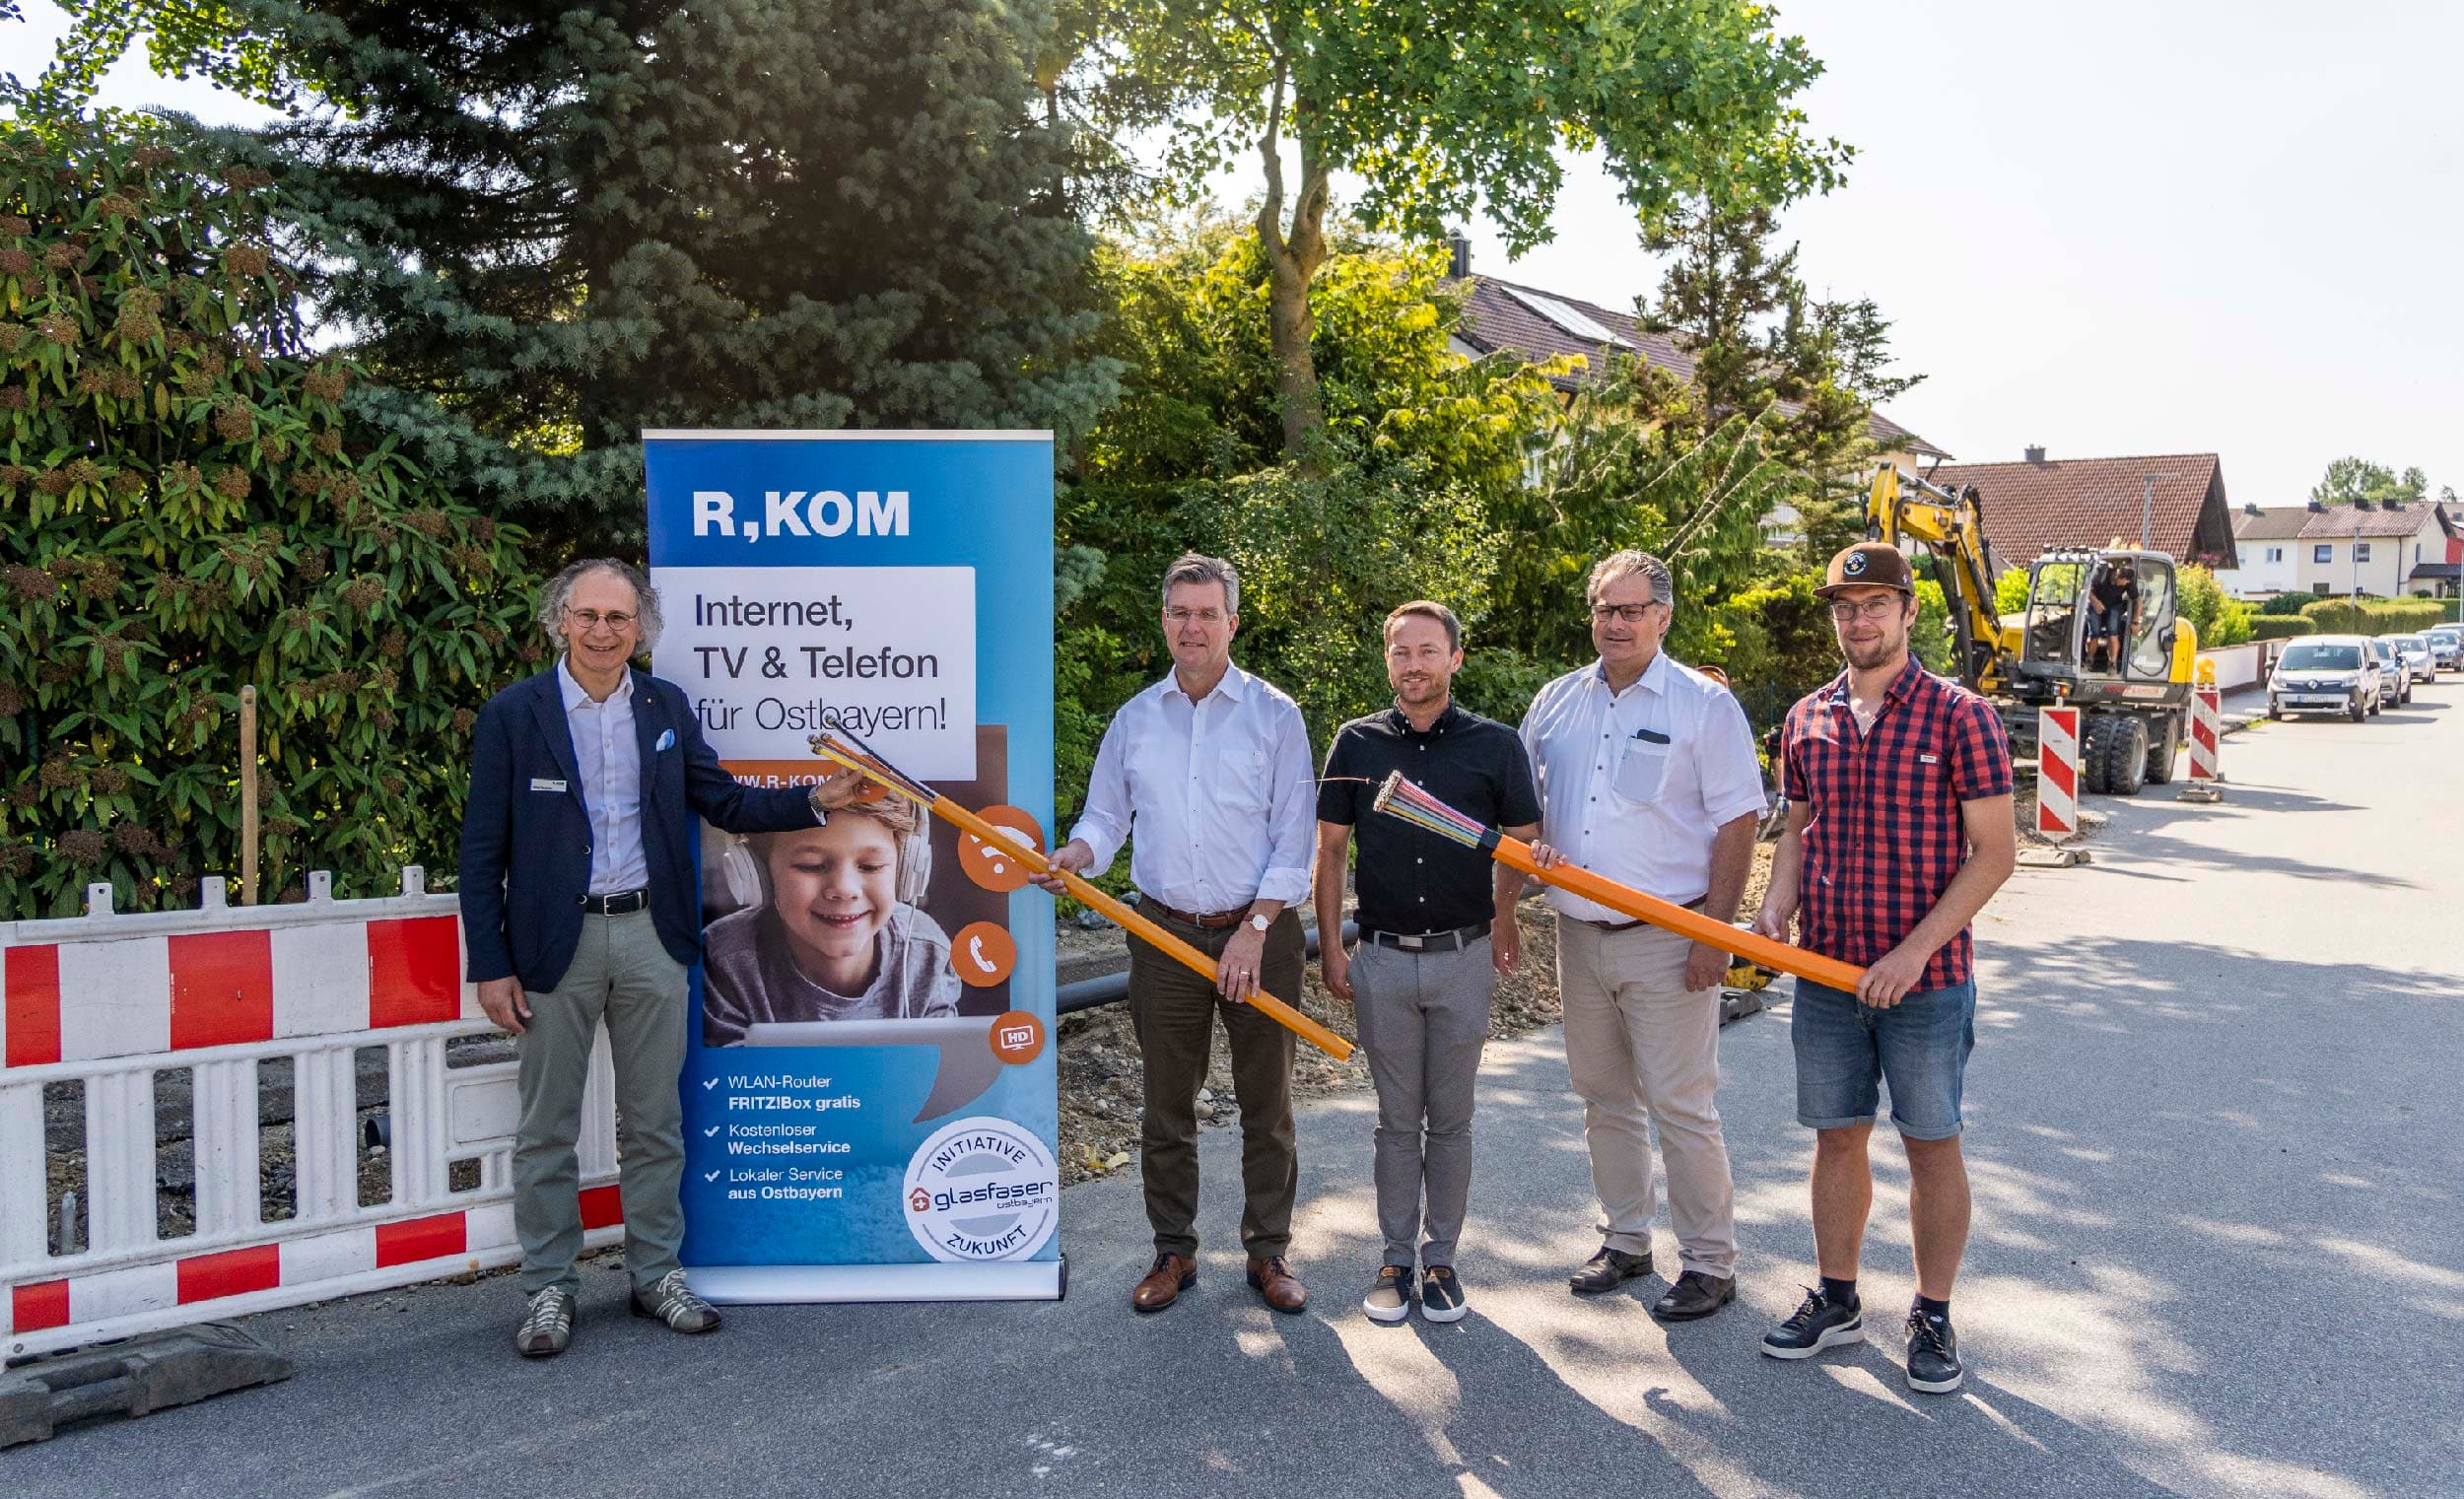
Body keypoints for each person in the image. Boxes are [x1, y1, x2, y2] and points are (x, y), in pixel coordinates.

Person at [459, 558, 861, 1358]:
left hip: (649, 935)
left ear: (639, 628)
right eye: (587, 616)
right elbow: (481, 850)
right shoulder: (514, 714)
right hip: (552, 944)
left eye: (618, 617)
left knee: (655, 1122)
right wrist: (490, 962)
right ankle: (548, 1287)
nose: (602, 631)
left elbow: (727, 800)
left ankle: (655, 1273)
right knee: (546, 1126)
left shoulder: (664, 706)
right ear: (559, 622)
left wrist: (817, 799)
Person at [1752, 540, 2016, 1395]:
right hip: (1826, 974)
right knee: (1837, 1137)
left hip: (1926, 983)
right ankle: (1838, 1299)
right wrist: (1774, 904)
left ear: (1909, 612)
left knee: (1931, 1142)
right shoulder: (1806, 717)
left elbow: (1994, 854)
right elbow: (1797, 827)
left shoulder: (1960, 715)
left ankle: (1933, 1311)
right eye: (1844, 606)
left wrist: (1913, 952)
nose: (1857, 620)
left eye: (1873, 604)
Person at [1034, 554, 1316, 1314]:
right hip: (1161, 935)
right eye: (1179, 612)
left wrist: (1256, 928)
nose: (1192, 626)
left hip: (1261, 932)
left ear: (1232, 622)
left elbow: (1296, 843)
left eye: (1206, 613)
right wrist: (1077, 854)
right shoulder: (1136, 718)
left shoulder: (1275, 715)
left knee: (1268, 1101)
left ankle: (1268, 1253)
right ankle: (1173, 1251)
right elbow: (1105, 818)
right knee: (1166, 1103)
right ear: (1164, 619)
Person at [1519, 551, 1765, 1321]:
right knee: (1603, 1097)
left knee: (1681, 1103)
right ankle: (1626, 1239)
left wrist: (1711, 933)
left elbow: (1739, 819)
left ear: (1664, 617)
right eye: (1603, 609)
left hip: (1669, 932)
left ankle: (1709, 1261)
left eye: (1630, 610)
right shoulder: (1556, 702)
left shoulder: (1704, 705)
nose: (1615, 623)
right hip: (1577, 936)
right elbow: (1520, 808)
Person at [1315, 602, 1540, 1325]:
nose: (1414, 664)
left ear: (1455, 658)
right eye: (1400, 652)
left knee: (1451, 1119)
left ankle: (1441, 1259)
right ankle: (1394, 1257)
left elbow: (1525, 841)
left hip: (1462, 956)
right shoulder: (1354, 743)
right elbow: (1330, 850)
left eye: (1428, 651)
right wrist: (1331, 943)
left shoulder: (1495, 745)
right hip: (1380, 956)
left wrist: (1504, 915)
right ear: (1387, 661)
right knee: (1393, 1121)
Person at [701, 795, 962, 1044]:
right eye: (812, 866)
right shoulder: (725, 960)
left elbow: (945, 1077)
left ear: (907, 870)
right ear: (760, 874)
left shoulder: (926, 951)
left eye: (870, 866)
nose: (844, 889)